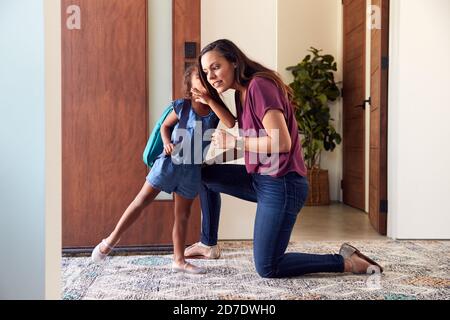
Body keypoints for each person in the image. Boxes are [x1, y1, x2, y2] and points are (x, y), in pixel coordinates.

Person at [184, 39, 384, 278]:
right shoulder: (241, 93)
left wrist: (235, 141)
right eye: (207, 71)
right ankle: (208, 244)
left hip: (283, 184)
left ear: (234, 61)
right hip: (260, 177)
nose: (211, 76)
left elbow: (281, 142)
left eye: (216, 67)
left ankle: (346, 262)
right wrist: (217, 156)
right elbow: (256, 144)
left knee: (268, 267)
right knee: (203, 173)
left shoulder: (260, 86)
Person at [91, 65, 235, 274]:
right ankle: (109, 242)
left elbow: (230, 123)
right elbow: (164, 127)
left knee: (182, 215)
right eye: (198, 76)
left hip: (192, 170)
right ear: (190, 83)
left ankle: (179, 260)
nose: (204, 79)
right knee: (141, 201)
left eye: (206, 76)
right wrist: (167, 143)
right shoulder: (182, 106)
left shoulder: (214, 110)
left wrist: (211, 101)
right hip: (169, 163)